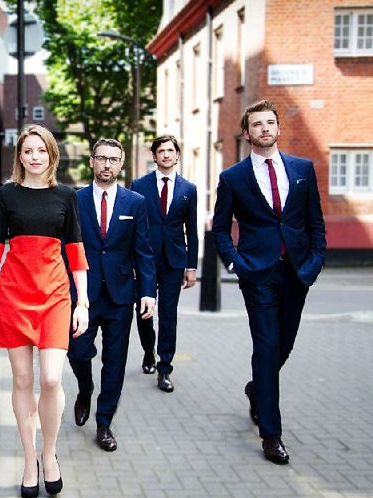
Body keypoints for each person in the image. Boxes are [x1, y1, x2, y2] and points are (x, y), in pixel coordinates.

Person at [0, 125, 89, 498]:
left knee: (52, 379)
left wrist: (83, 302)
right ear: (20, 157)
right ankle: (28, 461)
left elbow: (76, 250)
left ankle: (49, 452)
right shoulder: (7, 195)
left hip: (55, 295)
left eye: (41, 150)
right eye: (28, 152)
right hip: (14, 293)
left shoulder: (66, 196)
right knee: (23, 381)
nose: (35, 156)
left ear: (51, 155)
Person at [213, 100, 326, 464]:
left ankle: (255, 389)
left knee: (284, 347)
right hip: (256, 274)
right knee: (266, 347)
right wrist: (236, 263)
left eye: (270, 123)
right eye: (257, 124)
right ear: (247, 134)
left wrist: (315, 261)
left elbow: (315, 223)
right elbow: (219, 230)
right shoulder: (233, 178)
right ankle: (271, 434)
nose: (264, 129)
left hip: (296, 272)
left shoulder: (302, 170)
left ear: (278, 129)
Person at [67, 138, 155, 453]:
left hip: (120, 295)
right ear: (92, 161)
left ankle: (104, 422)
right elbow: (66, 250)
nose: (107, 164)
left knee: (114, 361)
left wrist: (147, 292)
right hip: (83, 296)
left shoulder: (135, 202)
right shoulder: (74, 199)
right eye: (102, 158)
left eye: (113, 159)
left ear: (121, 163)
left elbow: (143, 250)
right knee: (77, 351)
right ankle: (85, 388)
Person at [130, 135, 198, 392]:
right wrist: (133, 261)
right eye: (161, 151)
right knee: (144, 312)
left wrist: (191, 267)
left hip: (174, 261)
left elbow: (191, 230)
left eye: (170, 150)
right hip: (145, 260)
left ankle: (165, 367)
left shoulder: (188, 190)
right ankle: (149, 350)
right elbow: (131, 227)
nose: (166, 155)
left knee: (168, 315)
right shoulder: (139, 185)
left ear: (177, 155)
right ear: (154, 156)